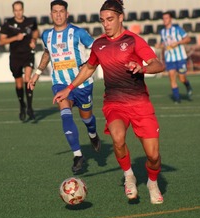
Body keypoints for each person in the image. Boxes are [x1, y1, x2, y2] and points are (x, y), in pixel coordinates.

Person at [53, 0, 165, 204]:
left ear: (121, 18)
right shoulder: (99, 44)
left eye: (110, 19)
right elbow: (88, 68)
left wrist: (143, 69)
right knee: (117, 136)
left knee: (154, 156)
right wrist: (68, 88)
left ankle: (152, 182)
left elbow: (158, 64)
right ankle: (129, 176)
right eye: (102, 20)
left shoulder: (133, 40)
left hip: (140, 103)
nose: (106, 24)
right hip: (115, 103)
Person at [28, 0, 101, 174]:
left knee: (87, 119)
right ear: (51, 14)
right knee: (65, 112)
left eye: (62, 11)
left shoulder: (78, 33)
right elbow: (47, 53)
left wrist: (88, 64)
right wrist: (37, 73)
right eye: (55, 11)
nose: (59, 14)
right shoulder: (46, 35)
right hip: (60, 84)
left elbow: (97, 49)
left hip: (82, 84)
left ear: (67, 14)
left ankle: (93, 135)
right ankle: (77, 155)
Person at [0, 1, 39, 121]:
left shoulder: (30, 22)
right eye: (16, 10)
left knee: (28, 79)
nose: (18, 12)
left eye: (20, 10)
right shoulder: (8, 24)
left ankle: (30, 108)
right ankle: (22, 106)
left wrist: (34, 40)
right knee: (19, 83)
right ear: (13, 11)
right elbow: (2, 41)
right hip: (15, 56)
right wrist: (15, 38)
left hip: (28, 54)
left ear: (23, 9)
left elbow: (36, 32)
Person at [158, 11, 193, 104]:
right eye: (163, 18)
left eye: (166, 18)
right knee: (172, 77)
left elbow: (188, 39)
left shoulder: (177, 29)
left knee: (182, 78)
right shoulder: (162, 32)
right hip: (169, 59)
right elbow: (164, 44)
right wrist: (159, 45)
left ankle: (188, 85)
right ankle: (177, 99)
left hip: (180, 58)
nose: (165, 20)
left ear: (170, 19)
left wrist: (177, 43)